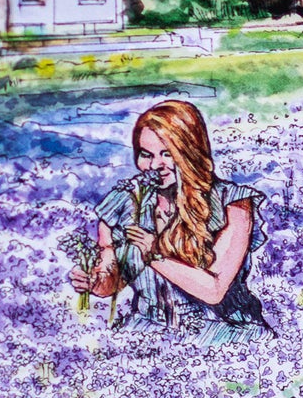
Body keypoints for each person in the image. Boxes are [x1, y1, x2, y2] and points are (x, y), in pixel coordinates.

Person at [68, 99, 272, 345]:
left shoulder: (232, 203)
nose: (155, 166)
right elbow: (114, 279)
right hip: (149, 330)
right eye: (146, 155)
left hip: (222, 332)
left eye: (167, 154)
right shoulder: (123, 202)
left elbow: (214, 290)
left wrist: (154, 253)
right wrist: (95, 282)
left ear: (190, 153)